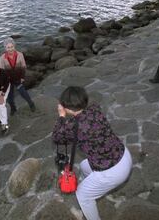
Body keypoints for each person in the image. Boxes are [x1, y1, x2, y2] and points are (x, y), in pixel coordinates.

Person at [52, 86, 132, 220]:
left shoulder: (73, 126)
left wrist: (61, 116)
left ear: (67, 108)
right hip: (124, 155)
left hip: (114, 171)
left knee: (82, 195)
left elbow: (57, 137)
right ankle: (90, 185)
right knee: (84, 165)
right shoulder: (95, 109)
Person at [0, 38, 36, 115]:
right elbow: (2, 71)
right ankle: (13, 108)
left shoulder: (20, 55)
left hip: (18, 79)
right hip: (8, 81)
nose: (10, 49)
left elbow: (23, 67)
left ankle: (31, 104)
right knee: (9, 97)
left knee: (23, 93)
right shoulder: (2, 58)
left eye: (12, 47)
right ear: (5, 48)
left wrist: (22, 77)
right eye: (8, 47)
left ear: (14, 46)